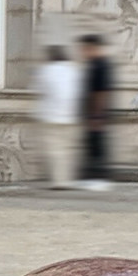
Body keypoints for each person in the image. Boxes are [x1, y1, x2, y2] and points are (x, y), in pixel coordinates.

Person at [33, 43, 82, 190]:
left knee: (55, 150)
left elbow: (39, 90)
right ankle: (68, 179)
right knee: (69, 150)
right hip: (72, 116)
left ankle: (59, 180)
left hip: (52, 117)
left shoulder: (46, 70)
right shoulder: (74, 71)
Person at [78, 32, 115, 191]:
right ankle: (94, 177)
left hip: (96, 114)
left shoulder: (100, 65)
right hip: (93, 114)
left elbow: (100, 92)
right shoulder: (94, 64)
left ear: (92, 47)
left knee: (96, 146)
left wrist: (96, 116)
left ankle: (98, 178)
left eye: (84, 48)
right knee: (93, 145)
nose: (82, 52)